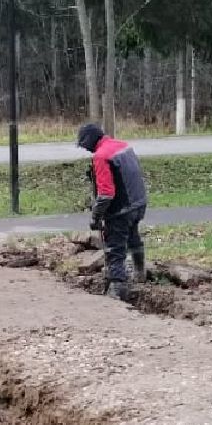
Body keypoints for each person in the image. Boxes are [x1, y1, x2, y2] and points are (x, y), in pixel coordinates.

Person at [76, 122, 147, 301]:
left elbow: (106, 193)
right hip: (139, 203)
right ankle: (140, 274)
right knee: (133, 237)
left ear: (90, 141)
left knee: (114, 248)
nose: (86, 150)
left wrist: (96, 215)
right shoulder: (123, 146)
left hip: (121, 209)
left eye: (85, 146)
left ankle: (117, 289)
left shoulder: (101, 156)